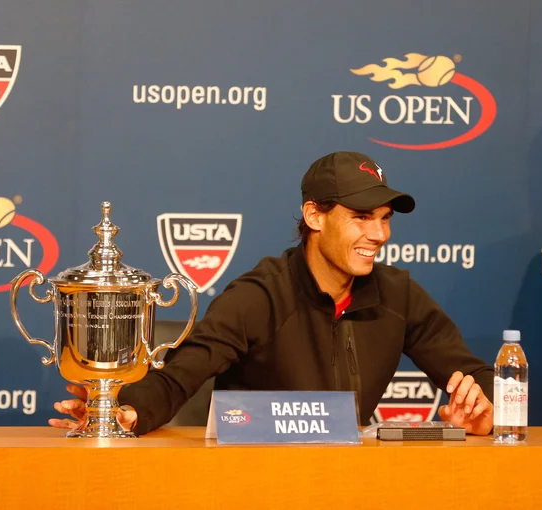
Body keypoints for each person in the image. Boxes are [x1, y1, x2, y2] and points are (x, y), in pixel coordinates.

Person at [49, 151, 494, 436]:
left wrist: (481, 413)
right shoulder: (260, 295)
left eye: (384, 218)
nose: (379, 234)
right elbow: (178, 374)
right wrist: (125, 411)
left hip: (353, 484)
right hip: (256, 484)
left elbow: (477, 376)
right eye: (361, 216)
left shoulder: (399, 295)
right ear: (314, 216)